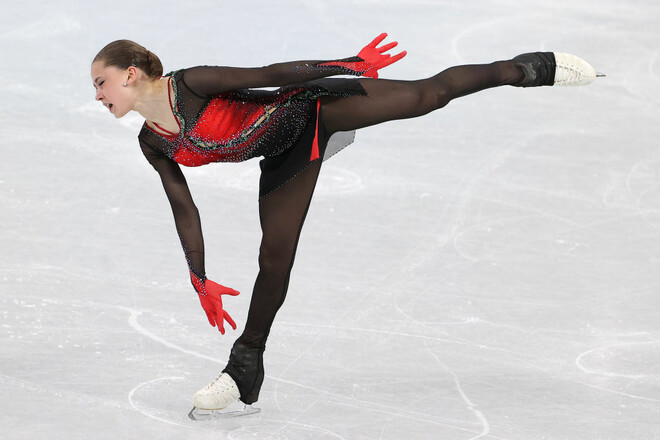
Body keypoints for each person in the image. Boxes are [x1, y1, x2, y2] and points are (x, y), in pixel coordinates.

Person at [91, 34, 599, 416]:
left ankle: (527, 68)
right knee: (275, 256)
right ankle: (244, 365)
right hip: (285, 154)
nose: (98, 94)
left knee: (427, 96)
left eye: (101, 82)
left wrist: (347, 65)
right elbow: (184, 208)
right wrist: (198, 276)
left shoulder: (190, 84)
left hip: (314, 109)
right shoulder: (153, 142)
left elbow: (270, 72)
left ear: (131, 74)